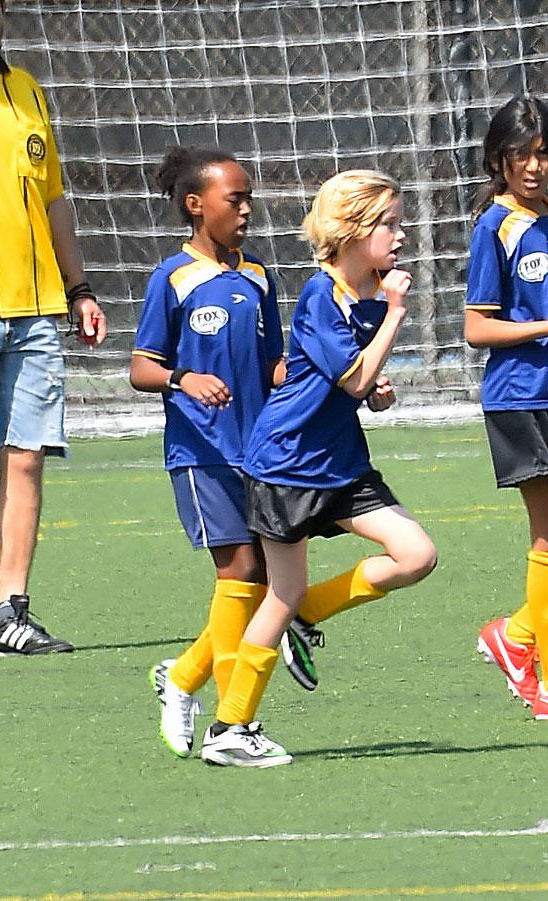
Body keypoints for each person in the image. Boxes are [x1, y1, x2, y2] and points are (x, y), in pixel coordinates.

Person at [200, 169, 437, 767]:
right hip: (288, 464)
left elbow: (357, 382)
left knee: (416, 555)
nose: (399, 234)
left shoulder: (368, 290)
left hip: (340, 464)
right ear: (354, 230)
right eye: (388, 223)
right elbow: (351, 374)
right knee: (280, 590)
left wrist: (376, 390)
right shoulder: (322, 293)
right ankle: (231, 729)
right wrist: (395, 316)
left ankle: (307, 616)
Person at [0, 0, 106, 655]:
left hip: (35, 309)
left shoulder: (27, 91)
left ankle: (8, 614)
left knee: (26, 457)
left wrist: (78, 288)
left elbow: (52, 200)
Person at [130, 146, 286, 757]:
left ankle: (184, 676)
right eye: (235, 198)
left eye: (248, 198)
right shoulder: (172, 279)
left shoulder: (257, 275)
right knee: (240, 570)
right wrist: (182, 379)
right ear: (196, 204)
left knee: (265, 578)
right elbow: (142, 366)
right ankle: (233, 724)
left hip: (260, 449)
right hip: (201, 452)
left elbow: (273, 360)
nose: (246, 209)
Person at [465, 94, 548, 720]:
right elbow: (476, 330)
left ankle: (517, 635)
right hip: (522, 398)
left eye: (543, 153)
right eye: (522, 155)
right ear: (500, 160)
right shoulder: (495, 227)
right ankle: (528, 652)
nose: (535, 166)